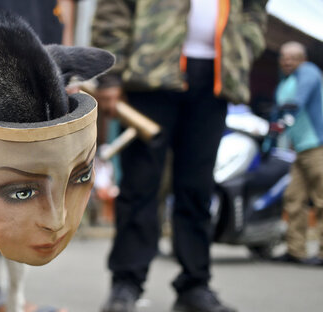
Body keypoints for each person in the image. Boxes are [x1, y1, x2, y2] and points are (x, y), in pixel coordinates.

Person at [91, 0, 268, 311]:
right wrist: (110, 74)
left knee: (198, 188)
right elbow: (116, 7)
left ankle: (194, 285)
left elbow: (256, 9)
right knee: (140, 186)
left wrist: (244, 45)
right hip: (151, 73)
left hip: (215, 79)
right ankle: (126, 283)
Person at [272, 41, 323, 266]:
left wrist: (288, 115)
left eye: (292, 57)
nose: (287, 61)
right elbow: (277, 114)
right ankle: (296, 250)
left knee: (321, 199)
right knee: (294, 198)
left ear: (302, 58)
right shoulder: (285, 81)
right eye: (283, 57)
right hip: (299, 150)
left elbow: (299, 99)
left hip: (318, 146)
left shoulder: (309, 72)